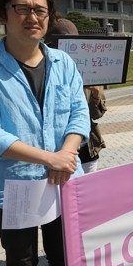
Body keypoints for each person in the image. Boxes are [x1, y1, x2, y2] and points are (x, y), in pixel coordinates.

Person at [0, 0, 90, 266]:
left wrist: (66, 154)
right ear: (4, 14)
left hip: (63, 179)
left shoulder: (63, 63)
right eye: (22, 9)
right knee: (21, 265)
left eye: (40, 10)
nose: (32, 16)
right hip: (14, 186)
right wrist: (51, 158)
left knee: (66, 256)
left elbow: (79, 112)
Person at [44, 18, 107, 173]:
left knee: (88, 193)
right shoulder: (43, 71)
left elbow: (96, 114)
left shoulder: (88, 70)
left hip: (87, 148)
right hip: (53, 153)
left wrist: (96, 94)